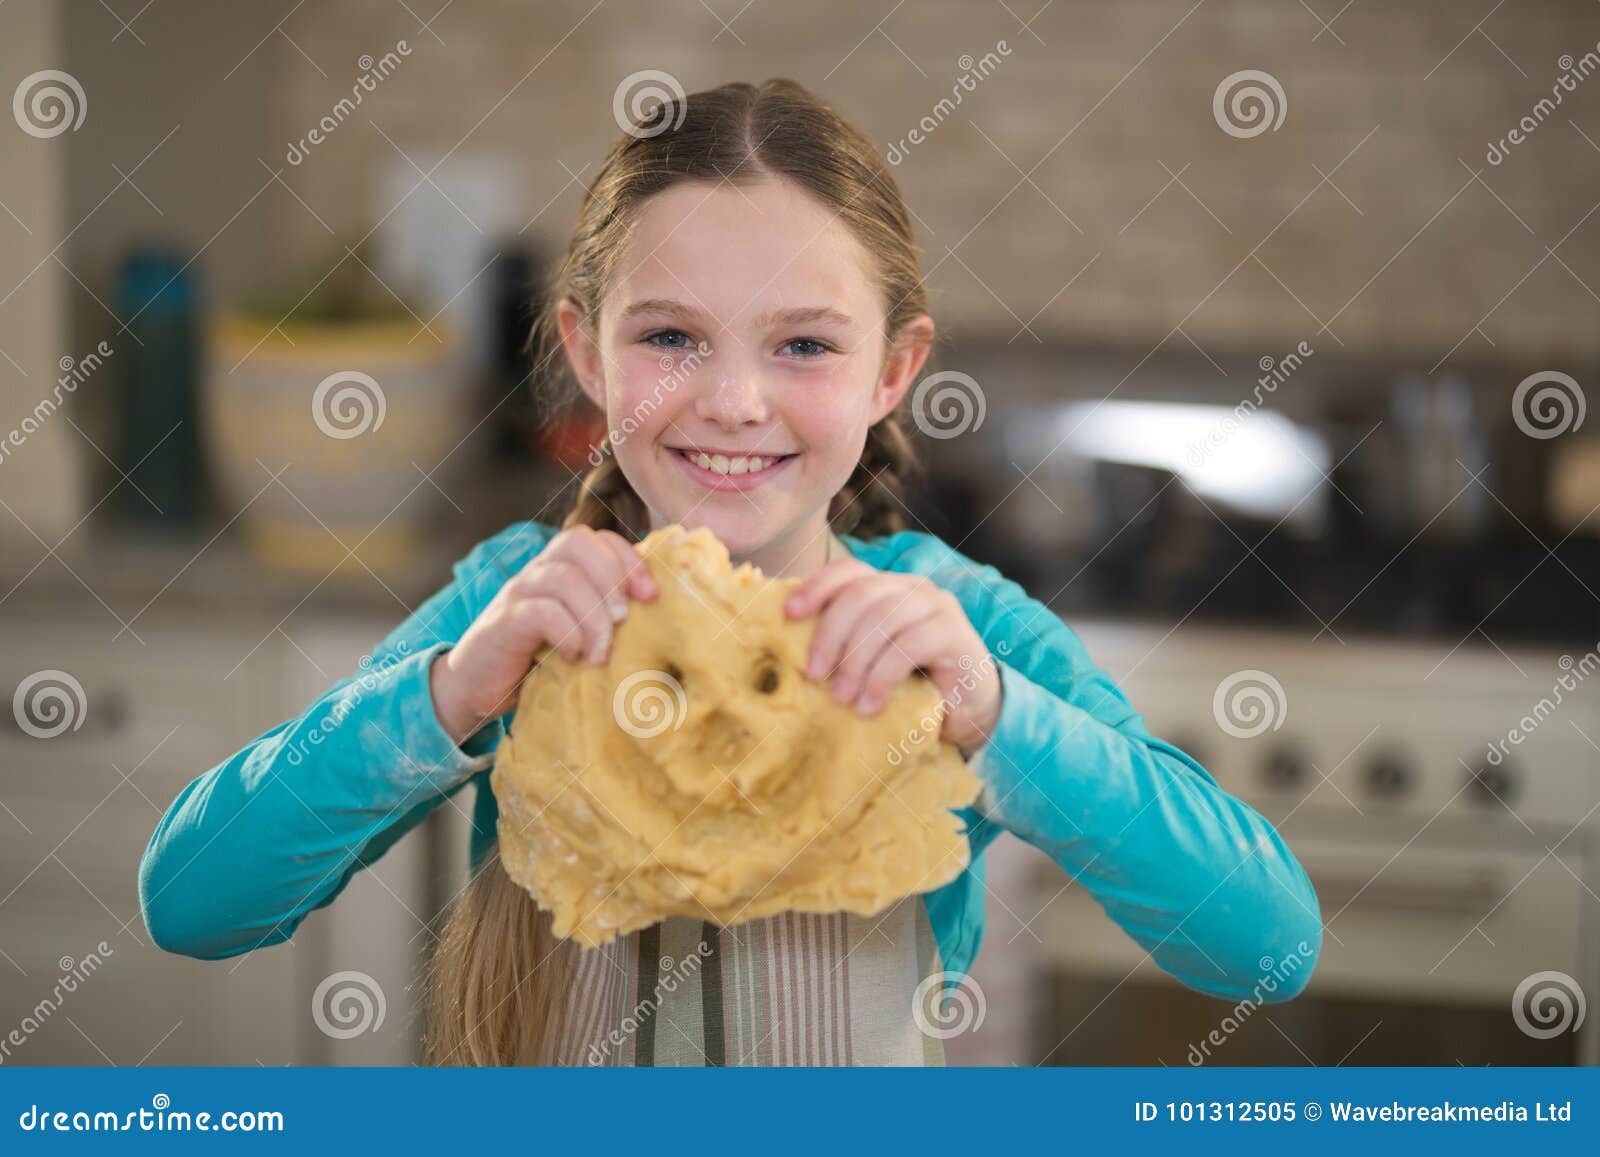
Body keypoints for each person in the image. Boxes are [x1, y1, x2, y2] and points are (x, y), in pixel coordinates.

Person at [139, 78, 1321, 1067]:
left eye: (803, 343)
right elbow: (194, 901)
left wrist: (995, 717)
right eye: (669, 338)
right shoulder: (521, 607)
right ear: (584, 354)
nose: (734, 401)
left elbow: (1267, 943)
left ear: (892, 371)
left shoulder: (952, 628)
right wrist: (446, 692)